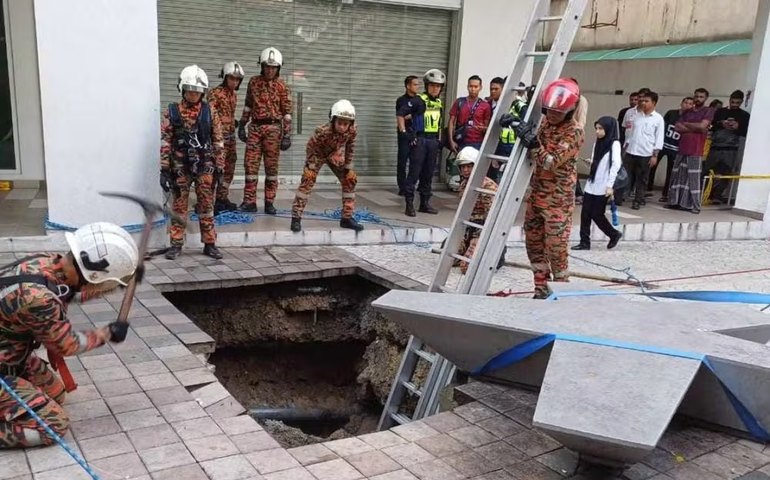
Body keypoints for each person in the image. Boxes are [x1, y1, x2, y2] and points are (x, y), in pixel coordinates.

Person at [0, 222, 137, 448]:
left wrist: (120, 282)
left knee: (56, 393)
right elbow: (66, 345)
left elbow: (70, 293)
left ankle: (16, 397)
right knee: (53, 426)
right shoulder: (39, 300)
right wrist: (107, 334)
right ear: (92, 274)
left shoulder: (49, 263)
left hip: (13, 356)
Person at [506, 78, 585, 299]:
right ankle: (540, 290)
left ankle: (561, 294)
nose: (551, 116)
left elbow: (550, 161)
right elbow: (531, 145)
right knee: (533, 246)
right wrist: (515, 125)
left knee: (557, 251)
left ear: (570, 111)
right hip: (537, 197)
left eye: (557, 113)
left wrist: (532, 143)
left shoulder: (574, 132)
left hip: (557, 203)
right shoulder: (545, 124)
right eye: (548, 111)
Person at [159, 65, 224, 260]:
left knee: (206, 205)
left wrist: (220, 166)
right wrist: (164, 169)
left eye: (198, 91)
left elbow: (218, 140)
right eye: (190, 90)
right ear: (182, 89)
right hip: (180, 167)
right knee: (179, 206)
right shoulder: (172, 111)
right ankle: (176, 244)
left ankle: (210, 243)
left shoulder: (210, 111)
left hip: (205, 165)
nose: (194, 94)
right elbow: (166, 141)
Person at [290, 100, 363, 233]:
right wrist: (311, 165)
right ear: (333, 120)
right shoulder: (322, 131)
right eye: (339, 123)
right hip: (317, 154)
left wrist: (348, 167)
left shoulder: (352, 130)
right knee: (307, 180)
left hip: (334, 154)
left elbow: (350, 147)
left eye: (345, 124)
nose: (342, 127)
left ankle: (346, 218)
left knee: (350, 179)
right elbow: (310, 147)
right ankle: (296, 218)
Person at [238, 47, 292, 214]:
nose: (270, 70)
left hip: (273, 130)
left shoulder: (282, 86)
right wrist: (242, 125)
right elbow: (248, 105)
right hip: (255, 127)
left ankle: (269, 202)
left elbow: (287, 112)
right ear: (261, 66)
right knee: (250, 166)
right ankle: (249, 202)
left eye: (273, 67)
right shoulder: (253, 82)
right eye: (267, 67)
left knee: (271, 168)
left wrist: (287, 135)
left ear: (278, 68)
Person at [397, 69, 446, 217]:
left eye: (438, 86)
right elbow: (400, 114)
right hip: (420, 141)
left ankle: (424, 204)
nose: (435, 88)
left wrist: (439, 140)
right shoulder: (419, 100)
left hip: (432, 142)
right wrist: (404, 132)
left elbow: (438, 122)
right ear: (426, 86)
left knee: (428, 174)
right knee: (414, 173)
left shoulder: (438, 103)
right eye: (432, 85)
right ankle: (409, 205)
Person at [572, 117, 623, 250]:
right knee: (585, 213)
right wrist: (591, 162)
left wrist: (610, 186)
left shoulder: (614, 144)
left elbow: (616, 164)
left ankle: (613, 234)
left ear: (608, 129)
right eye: (596, 128)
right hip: (593, 182)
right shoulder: (598, 142)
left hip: (604, 185)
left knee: (596, 214)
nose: (597, 131)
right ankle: (584, 242)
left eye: (600, 129)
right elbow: (598, 159)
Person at [453, 146, 506, 274]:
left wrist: (482, 236)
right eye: (463, 167)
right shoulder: (464, 184)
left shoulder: (487, 186)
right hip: (468, 227)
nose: (465, 170)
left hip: (482, 228)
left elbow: (492, 216)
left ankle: (496, 251)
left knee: (467, 268)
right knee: (450, 257)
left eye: (469, 166)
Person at [208, 61, 245, 214]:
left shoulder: (233, 95)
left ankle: (222, 197)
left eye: (237, 79)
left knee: (229, 168)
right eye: (231, 78)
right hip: (218, 139)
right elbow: (210, 114)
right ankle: (209, 201)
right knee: (216, 169)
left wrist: (233, 122)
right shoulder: (214, 93)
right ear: (225, 77)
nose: (234, 82)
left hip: (230, 137)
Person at [395, 76, 420, 196]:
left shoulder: (419, 100)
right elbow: (402, 116)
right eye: (415, 84)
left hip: (416, 132)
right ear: (408, 86)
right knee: (402, 160)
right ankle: (402, 186)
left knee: (415, 161)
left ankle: (411, 185)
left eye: (418, 84)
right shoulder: (401, 100)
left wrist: (412, 114)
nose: (417, 87)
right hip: (404, 133)